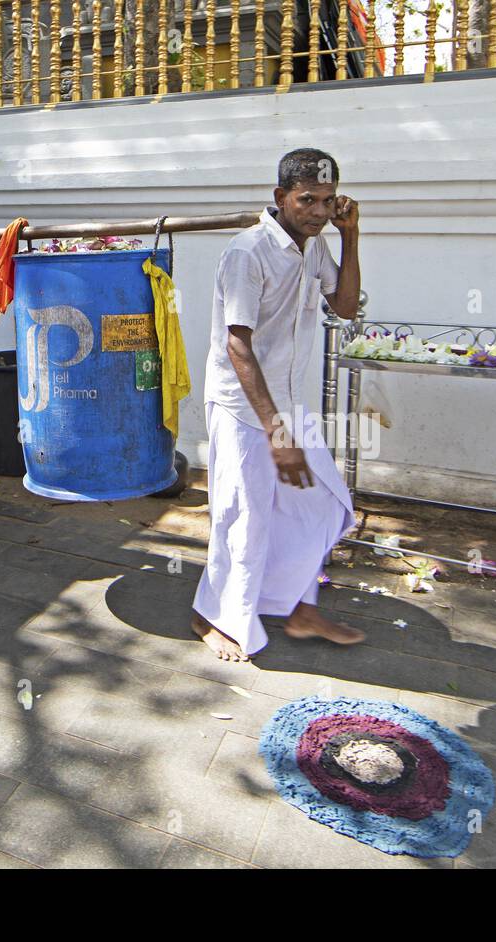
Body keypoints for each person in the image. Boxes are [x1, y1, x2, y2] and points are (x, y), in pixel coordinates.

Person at [191, 148, 366, 662]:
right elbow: (237, 345)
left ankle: (296, 604)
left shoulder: (312, 246)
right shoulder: (248, 252)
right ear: (280, 197)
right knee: (243, 517)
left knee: (321, 505)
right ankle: (212, 615)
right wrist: (276, 432)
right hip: (243, 408)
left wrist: (349, 235)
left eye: (327, 202)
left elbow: (346, 305)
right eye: (307, 199)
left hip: (288, 402)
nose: (318, 211)